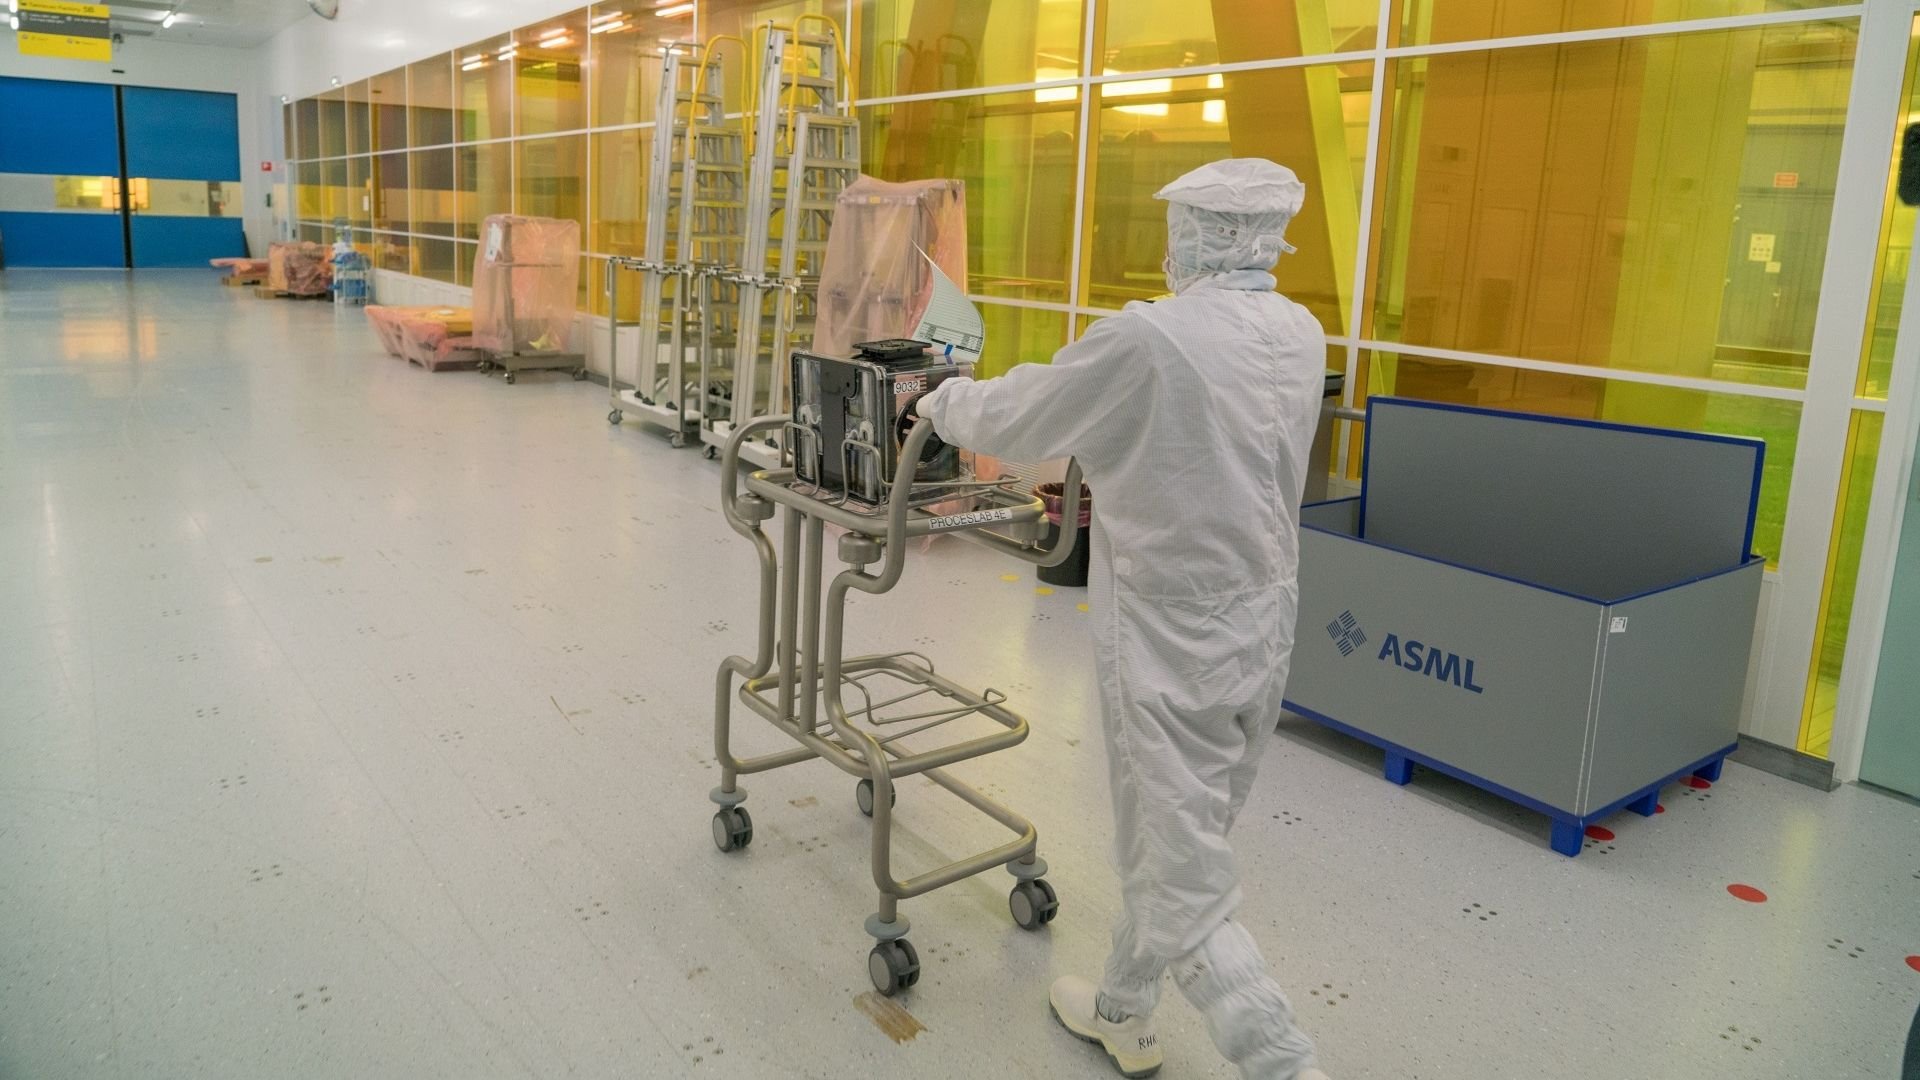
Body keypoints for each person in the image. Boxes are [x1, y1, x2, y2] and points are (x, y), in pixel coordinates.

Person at [913, 158, 1331, 1080]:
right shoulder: (1303, 334)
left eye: (1177, 229)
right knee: (1188, 831)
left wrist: (941, 396)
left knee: (1175, 870)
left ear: (1198, 235)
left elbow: (1023, 415)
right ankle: (1124, 1009)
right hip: (1263, 620)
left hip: (1168, 630)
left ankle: (1285, 1062)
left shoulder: (1153, 339)